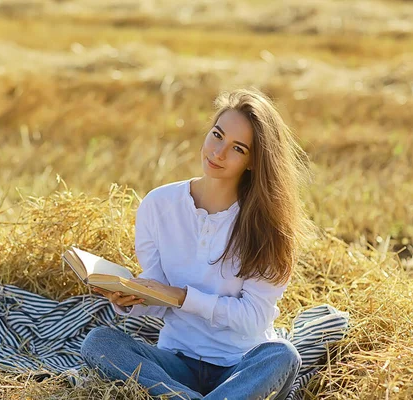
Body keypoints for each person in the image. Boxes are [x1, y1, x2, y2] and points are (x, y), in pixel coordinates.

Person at [79, 89, 312, 400]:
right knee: (99, 343)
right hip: (175, 362)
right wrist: (131, 299)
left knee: (282, 356)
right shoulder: (158, 205)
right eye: (217, 135)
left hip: (241, 367)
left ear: (254, 161)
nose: (218, 152)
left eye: (237, 149)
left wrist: (183, 297)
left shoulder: (269, 227)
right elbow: (162, 298)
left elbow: (254, 317)